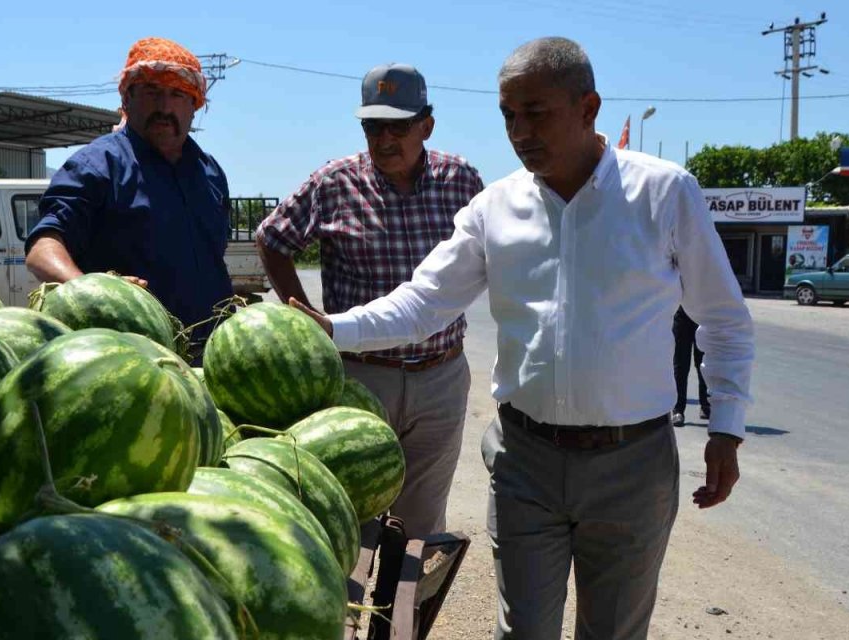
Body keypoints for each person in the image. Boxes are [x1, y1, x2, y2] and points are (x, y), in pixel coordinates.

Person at [289, 37, 755, 639]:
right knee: (523, 632)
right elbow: (425, 301)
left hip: (631, 465)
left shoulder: (663, 194)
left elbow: (722, 318)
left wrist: (727, 429)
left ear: (588, 107)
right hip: (524, 463)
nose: (519, 130)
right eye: (508, 114)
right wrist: (336, 329)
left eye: (537, 113)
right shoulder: (494, 209)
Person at [255, 63, 483, 538]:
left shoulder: (461, 181)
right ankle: (349, 611)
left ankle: (404, 614)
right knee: (348, 515)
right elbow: (272, 239)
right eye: (372, 128)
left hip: (439, 378)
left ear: (427, 125)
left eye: (398, 127)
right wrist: (303, 317)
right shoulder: (334, 183)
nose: (384, 141)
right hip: (360, 378)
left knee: (419, 526)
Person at [25, 37, 233, 343]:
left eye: (177, 94)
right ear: (127, 98)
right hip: (127, 354)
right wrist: (96, 293)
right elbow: (42, 249)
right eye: (152, 92)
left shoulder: (209, 172)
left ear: (194, 105)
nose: (164, 106)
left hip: (214, 353)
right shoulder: (97, 166)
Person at [672, 306, 710, 426]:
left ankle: (705, 404)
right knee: (680, 365)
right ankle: (678, 410)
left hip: (702, 316)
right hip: (682, 314)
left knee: (703, 363)